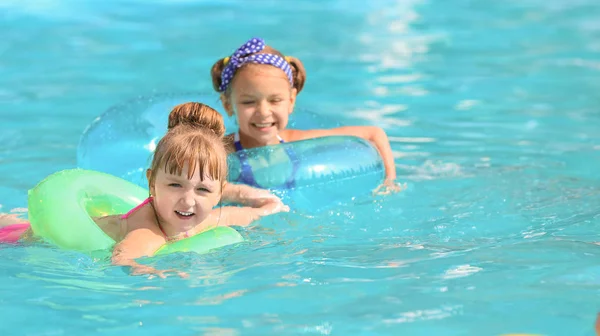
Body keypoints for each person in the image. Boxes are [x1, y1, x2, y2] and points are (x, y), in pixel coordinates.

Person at [0, 103, 289, 277]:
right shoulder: (148, 231)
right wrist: (142, 269)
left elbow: (226, 217)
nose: (187, 200)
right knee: (13, 230)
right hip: (24, 241)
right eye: (175, 184)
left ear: (218, 192)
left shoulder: (190, 215)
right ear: (151, 182)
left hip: (99, 220)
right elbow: (122, 256)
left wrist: (261, 210)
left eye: (202, 189)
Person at [210, 37, 401, 194]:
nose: (264, 112)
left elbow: (374, 134)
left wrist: (389, 181)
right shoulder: (221, 153)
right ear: (228, 105)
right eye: (248, 102)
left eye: (275, 100)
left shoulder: (296, 142)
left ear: (291, 100)